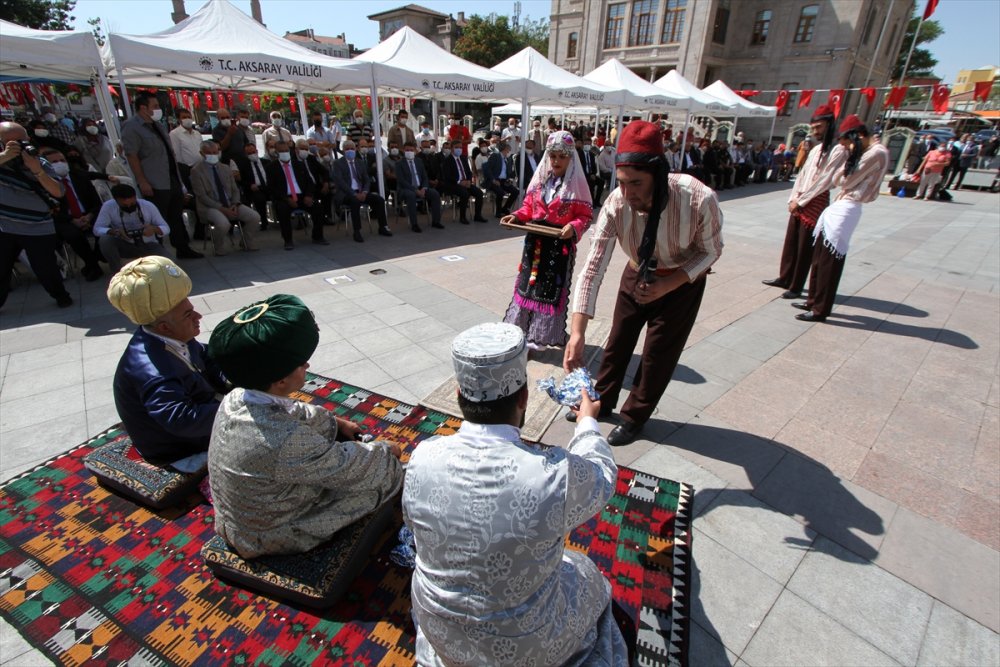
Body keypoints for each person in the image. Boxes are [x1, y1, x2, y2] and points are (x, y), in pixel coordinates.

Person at [403, 322, 627, 666]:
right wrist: (586, 422)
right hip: (527, 648)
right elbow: (602, 476)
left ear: (460, 396)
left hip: (442, 633)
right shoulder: (554, 474)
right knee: (583, 570)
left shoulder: (422, 457)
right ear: (524, 398)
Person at [206, 294, 404, 558]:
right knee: (384, 476)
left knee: (329, 440)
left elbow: (296, 411)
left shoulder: (236, 396)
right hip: (266, 534)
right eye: (301, 364)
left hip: (250, 510)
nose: (308, 366)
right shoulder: (283, 440)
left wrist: (336, 423)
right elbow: (348, 467)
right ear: (279, 382)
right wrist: (385, 450)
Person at [564, 120, 723, 446]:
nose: (627, 193)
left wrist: (670, 283)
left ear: (658, 174)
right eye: (621, 182)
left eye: (636, 183)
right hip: (637, 270)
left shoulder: (698, 199)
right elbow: (592, 267)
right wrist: (577, 333)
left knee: (657, 356)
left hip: (681, 282)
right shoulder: (616, 204)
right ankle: (600, 402)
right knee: (617, 342)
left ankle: (634, 416)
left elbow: (711, 251)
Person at [108, 256, 228, 467]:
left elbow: (207, 356)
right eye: (189, 314)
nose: (198, 316)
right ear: (164, 327)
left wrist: (230, 379)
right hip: (178, 449)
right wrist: (238, 406)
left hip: (198, 418)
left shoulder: (173, 337)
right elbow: (183, 420)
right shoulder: (151, 370)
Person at [500, 130, 593, 351]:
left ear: (570, 158)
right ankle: (521, 330)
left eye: (562, 156)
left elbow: (586, 216)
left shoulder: (576, 186)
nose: (557, 161)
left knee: (548, 290)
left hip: (558, 247)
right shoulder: (540, 182)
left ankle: (539, 338)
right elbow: (527, 207)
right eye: (553, 156)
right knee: (527, 285)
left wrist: (574, 227)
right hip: (535, 245)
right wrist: (516, 216)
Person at [792, 115, 889, 323]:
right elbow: (841, 179)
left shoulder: (876, 153)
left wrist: (850, 160)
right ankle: (813, 301)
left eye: (847, 143)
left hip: (849, 206)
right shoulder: (868, 152)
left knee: (829, 261)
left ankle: (820, 308)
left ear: (857, 136)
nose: (846, 148)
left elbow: (844, 180)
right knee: (819, 257)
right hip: (840, 205)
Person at [761, 105, 848, 299]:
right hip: (799, 199)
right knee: (791, 242)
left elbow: (825, 181)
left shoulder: (838, 150)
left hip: (814, 202)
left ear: (829, 125)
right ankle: (785, 277)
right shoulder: (816, 149)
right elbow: (801, 176)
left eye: (819, 127)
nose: (815, 131)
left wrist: (801, 201)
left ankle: (796, 285)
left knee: (805, 247)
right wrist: (793, 198)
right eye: (814, 127)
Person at [0, 122, 73, 309]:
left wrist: (37, 170)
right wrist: (5, 156)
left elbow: (58, 191)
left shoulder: (40, 163)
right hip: (4, 226)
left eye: (20, 141)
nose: (16, 146)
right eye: (9, 142)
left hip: (37, 225)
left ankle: (61, 296)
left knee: (46, 268)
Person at [121, 92, 202, 259]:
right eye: (155, 106)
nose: (158, 109)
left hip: (170, 177)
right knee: (157, 217)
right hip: (154, 181)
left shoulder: (157, 125)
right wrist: (142, 181)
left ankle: (182, 247)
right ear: (143, 108)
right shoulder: (132, 127)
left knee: (176, 215)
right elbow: (132, 156)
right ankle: (157, 253)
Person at [41, 149, 104, 281]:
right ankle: (93, 265)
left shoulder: (79, 178)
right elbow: (50, 210)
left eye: (62, 160)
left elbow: (96, 202)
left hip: (88, 215)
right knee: (73, 235)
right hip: (65, 220)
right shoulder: (46, 184)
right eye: (54, 162)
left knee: (104, 226)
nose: (60, 163)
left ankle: (97, 257)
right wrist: (72, 220)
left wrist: (89, 216)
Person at [189, 140, 260, 254]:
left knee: (254, 217)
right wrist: (222, 209)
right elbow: (202, 196)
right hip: (209, 207)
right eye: (209, 153)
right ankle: (218, 246)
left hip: (230, 204)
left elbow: (235, 190)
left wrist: (235, 204)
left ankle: (247, 240)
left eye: (215, 152)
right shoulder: (196, 171)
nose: (213, 155)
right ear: (202, 153)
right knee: (223, 224)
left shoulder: (225, 168)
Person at [93, 184, 170, 270]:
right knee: (105, 240)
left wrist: (154, 229)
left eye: (132, 204)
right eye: (124, 205)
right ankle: (117, 271)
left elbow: (166, 228)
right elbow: (97, 229)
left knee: (168, 265)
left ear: (135, 197)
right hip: (125, 245)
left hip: (148, 244)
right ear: (116, 200)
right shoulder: (108, 206)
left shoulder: (147, 205)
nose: (129, 207)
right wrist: (114, 231)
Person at [331, 139, 392, 242]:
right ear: (343, 150)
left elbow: (366, 179)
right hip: (347, 194)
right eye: (347, 149)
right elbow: (340, 182)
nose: (350, 151)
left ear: (355, 149)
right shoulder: (338, 163)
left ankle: (383, 227)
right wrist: (354, 194)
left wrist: (364, 191)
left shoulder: (359, 162)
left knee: (379, 200)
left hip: (361, 192)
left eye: (352, 149)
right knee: (355, 202)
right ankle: (357, 231)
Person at [265, 140, 316, 250]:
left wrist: (309, 195)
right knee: (283, 210)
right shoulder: (271, 167)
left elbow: (309, 182)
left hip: (301, 196)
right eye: (281, 151)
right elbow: (272, 188)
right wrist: (287, 199)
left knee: (317, 208)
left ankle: (318, 236)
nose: (284, 153)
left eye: (286, 150)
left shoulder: (299, 165)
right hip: (284, 197)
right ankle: (288, 240)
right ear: (277, 153)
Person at [395, 140, 441, 232]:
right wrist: (415, 190)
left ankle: (436, 221)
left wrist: (424, 188)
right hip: (406, 189)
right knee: (411, 196)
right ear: (403, 151)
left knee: (435, 194)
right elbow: (402, 181)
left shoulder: (419, 161)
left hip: (420, 188)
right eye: (407, 150)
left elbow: (424, 177)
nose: (409, 152)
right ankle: (414, 224)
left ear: (415, 151)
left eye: (411, 150)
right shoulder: (399, 163)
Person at [439, 139, 486, 225]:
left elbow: (468, 172)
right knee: (464, 194)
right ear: (452, 148)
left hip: (466, 183)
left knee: (479, 193)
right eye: (456, 147)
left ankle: (478, 215)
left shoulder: (463, 158)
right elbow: (447, 176)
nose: (459, 149)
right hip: (453, 184)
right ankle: (462, 217)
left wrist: (468, 180)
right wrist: (459, 182)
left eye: (460, 147)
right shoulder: (447, 161)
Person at [238, 142, 270, 229]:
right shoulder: (244, 166)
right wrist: (250, 185)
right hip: (255, 189)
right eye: (249, 153)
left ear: (256, 151)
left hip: (269, 187)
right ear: (246, 154)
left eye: (253, 152)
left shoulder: (266, 162)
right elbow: (241, 181)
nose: (252, 154)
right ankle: (264, 221)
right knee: (259, 198)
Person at [483, 141, 519, 217]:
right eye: (508, 150)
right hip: (494, 181)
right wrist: (493, 180)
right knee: (500, 192)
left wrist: (510, 178)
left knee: (515, 191)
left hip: (503, 181)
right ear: (505, 149)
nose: (509, 152)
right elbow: (487, 169)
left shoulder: (507, 159)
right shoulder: (495, 156)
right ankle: (498, 211)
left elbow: (507, 173)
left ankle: (505, 208)